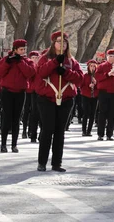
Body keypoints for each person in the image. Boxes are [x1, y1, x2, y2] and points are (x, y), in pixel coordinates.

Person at [35, 31, 83, 172]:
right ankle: (42, 162)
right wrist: (56, 62)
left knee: (59, 132)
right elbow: (41, 73)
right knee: (47, 130)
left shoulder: (72, 61)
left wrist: (66, 72)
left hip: (66, 99)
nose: (62, 44)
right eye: (58, 41)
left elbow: (80, 79)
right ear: (53, 43)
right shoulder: (45, 58)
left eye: (64, 42)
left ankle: (57, 163)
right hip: (47, 99)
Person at [0, 39, 36, 153]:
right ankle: (3, 144)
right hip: (7, 91)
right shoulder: (7, 60)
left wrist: (20, 62)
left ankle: (14, 144)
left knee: (16, 119)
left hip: (20, 92)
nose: (23, 51)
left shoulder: (28, 61)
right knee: (6, 117)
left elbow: (30, 73)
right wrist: (7, 63)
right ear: (15, 50)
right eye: (21, 49)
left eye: (24, 49)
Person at [94, 49, 114, 141]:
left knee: (112, 113)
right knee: (102, 112)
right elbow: (97, 77)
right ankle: (100, 134)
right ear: (107, 56)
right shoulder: (101, 66)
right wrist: (107, 74)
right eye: (110, 56)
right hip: (104, 92)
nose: (112, 58)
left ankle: (110, 134)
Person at [21, 51, 39, 139]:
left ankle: (31, 130)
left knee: (34, 111)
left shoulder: (40, 67)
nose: (35, 59)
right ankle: (24, 129)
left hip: (36, 91)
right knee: (26, 110)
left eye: (36, 58)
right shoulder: (28, 66)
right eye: (33, 58)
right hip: (28, 90)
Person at [80, 60, 98, 137]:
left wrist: (96, 84)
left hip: (94, 96)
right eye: (91, 66)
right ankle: (84, 130)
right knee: (86, 113)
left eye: (94, 66)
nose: (93, 68)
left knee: (92, 113)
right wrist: (88, 86)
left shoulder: (97, 76)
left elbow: (100, 87)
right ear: (88, 67)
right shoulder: (85, 75)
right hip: (86, 95)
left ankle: (89, 131)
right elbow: (81, 86)